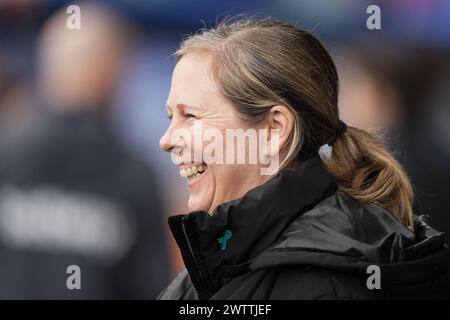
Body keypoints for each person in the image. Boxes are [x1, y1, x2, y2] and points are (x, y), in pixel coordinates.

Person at [157, 18, 450, 300]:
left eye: (190, 116)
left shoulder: (326, 285)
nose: (166, 140)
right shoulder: (213, 267)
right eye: (172, 116)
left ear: (274, 130)